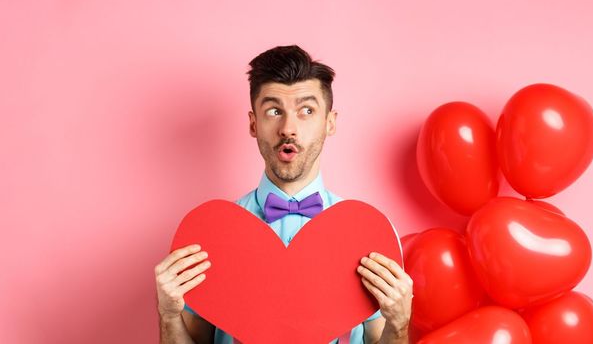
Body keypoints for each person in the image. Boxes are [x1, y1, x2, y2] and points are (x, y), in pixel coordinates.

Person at [154, 45, 413, 344]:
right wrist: (168, 315)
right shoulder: (210, 234)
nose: (288, 128)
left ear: (330, 122)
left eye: (307, 111)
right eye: (274, 111)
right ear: (254, 123)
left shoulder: (367, 233)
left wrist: (400, 324)